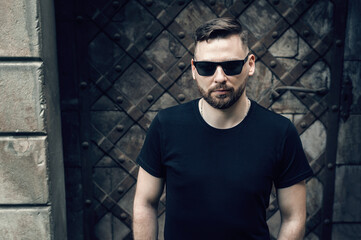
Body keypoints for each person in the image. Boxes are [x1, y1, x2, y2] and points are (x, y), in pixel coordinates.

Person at [133, 17, 313, 240]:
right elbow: (145, 203)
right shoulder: (165, 125)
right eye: (207, 67)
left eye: (231, 66)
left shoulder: (281, 132)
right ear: (193, 69)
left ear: (250, 65)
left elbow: (294, 217)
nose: (220, 78)